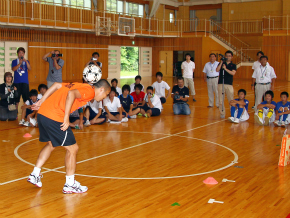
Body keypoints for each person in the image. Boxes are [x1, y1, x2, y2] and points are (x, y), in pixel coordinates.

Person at [27, 79, 111, 193]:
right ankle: (70, 184)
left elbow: (56, 85)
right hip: (55, 116)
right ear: (101, 89)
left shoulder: (79, 85)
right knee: (73, 149)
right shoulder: (90, 91)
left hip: (43, 113)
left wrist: (41, 101)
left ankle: (35, 174)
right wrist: (66, 117)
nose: (104, 97)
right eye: (105, 94)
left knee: (51, 144)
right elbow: (71, 94)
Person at [216, 50, 237, 119]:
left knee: (231, 99)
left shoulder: (233, 65)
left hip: (229, 84)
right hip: (221, 83)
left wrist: (225, 69)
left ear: (232, 57)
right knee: (221, 100)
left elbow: (233, 73)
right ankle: (222, 113)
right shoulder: (221, 63)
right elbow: (217, 70)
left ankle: (232, 112)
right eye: (226, 56)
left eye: (229, 56)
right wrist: (221, 62)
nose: (228, 57)